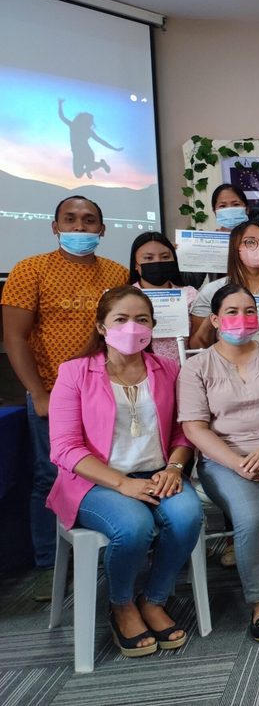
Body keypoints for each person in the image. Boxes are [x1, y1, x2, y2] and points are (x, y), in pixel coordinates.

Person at [48, 286, 201, 657]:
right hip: (94, 482)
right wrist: (122, 484)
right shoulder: (73, 373)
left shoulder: (167, 369)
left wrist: (175, 468)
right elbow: (64, 448)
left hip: (157, 473)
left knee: (188, 516)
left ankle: (153, 599)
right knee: (134, 526)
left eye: (141, 320)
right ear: (101, 326)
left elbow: (184, 431)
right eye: (121, 319)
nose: (132, 327)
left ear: (152, 327)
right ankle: (122, 605)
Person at [2, 195, 128, 600]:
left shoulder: (117, 272)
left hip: (106, 392)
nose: (80, 228)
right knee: (49, 476)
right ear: (55, 227)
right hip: (52, 393)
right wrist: (38, 394)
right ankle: (50, 566)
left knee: (106, 469)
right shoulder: (30, 270)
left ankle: (109, 553)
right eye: (70, 220)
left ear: (102, 230)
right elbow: (14, 337)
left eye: (89, 221)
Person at [178, 284, 259, 642]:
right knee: (251, 519)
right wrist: (238, 464)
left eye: (249, 311)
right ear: (215, 320)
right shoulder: (196, 366)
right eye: (232, 312)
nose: (242, 318)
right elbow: (193, 427)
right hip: (224, 458)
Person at [128, 232, 198, 360]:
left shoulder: (190, 294)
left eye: (165, 257)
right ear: (135, 265)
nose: (158, 262)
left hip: (185, 372)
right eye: (148, 258)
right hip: (141, 373)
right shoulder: (124, 297)